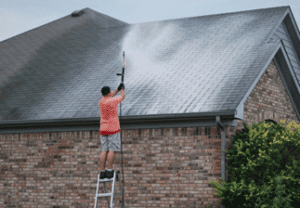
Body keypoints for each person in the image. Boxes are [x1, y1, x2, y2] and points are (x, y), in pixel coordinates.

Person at [99, 83, 126, 179]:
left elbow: (110, 96)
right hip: (113, 129)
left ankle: (102, 171)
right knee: (112, 150)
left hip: (103, 129)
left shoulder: (101, 101)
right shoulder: (113, 101)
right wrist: (122, 90)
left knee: (104, 150)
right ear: (109, 93)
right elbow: (122, 97)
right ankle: (110, 170)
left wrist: (117, 89)